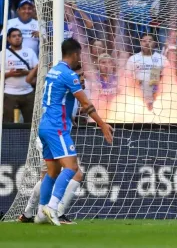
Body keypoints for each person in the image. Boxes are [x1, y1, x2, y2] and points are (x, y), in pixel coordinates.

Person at [35, 38, 113, 226]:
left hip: (44, 125)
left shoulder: (53, 72)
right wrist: (102, 125)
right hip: (57, 127)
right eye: (80, 56)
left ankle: (40, 213)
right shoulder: (69, 75)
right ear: (75, 54)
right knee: (71, 168)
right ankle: (52, 207)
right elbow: (86, 104)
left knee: (52, 172)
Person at [19, 67, 86, 225]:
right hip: (52, 135)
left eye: (84, 76)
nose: (82, 79)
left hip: (55, 134)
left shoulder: (71, 92)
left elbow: (66, 113)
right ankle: (56, 211)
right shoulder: (66, 87)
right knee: (74, 173)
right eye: (80, 75)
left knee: (49, 176)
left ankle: (29, 212)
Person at [1, 28, 38, 123]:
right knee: (8, 124)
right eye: (14, 36)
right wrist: (10, 74)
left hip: (28, 93)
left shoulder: (30, 52)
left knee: (31, 123)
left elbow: (38, 71)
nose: (17, 38)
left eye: (19, 35)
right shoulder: (3, 54)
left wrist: (26, 72)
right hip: (9, 93)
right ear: (8, 39)